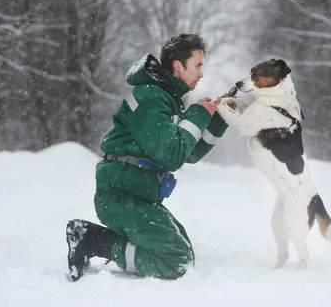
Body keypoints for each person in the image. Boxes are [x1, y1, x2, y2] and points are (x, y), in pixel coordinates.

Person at [66, 33, 229, 281]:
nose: (201, 74)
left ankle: (99, 239)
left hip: (140, 199)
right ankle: (92, 241)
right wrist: (197, 113)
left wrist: (219, 119)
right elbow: (172, 155)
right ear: (178, 65)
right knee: (176, 262)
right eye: (197, 66)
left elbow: (189, 152)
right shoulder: (151, 97)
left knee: (184, 255)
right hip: (122, 198)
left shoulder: (168, 99)